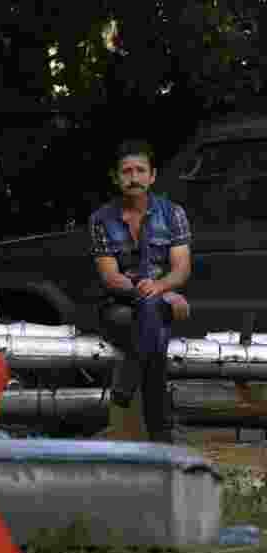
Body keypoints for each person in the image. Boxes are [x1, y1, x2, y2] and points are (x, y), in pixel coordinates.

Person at [89, 140, 193, 443]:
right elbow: (110, 278)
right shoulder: (101, 220)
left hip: (154, 305)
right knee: (154, 320)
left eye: (140, 171)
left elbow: (181, 268)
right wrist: (156, 293)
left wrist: (159, 288)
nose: (133, 177)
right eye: (126, 171)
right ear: (116, 177)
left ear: (153, 176)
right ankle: (161, 437)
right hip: (118, 306)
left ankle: (127, 383)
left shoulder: (173, 214)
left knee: (150, 316)